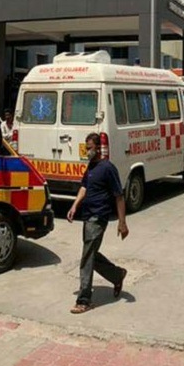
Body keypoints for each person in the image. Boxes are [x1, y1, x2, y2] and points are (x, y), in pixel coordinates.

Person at [66, 132, 129, 314]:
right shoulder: (91, 167)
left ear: (98, 148)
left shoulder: (108, 168)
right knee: (91, 254)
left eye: (90, 148)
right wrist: (74, 206)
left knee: (86, 257)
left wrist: (122, 222)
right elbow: (84, 187)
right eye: (86, 148)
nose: (87, 151)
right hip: (87, 215)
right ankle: (117, 274)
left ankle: (84, 300)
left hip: (98, 217)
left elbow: (119, 195)